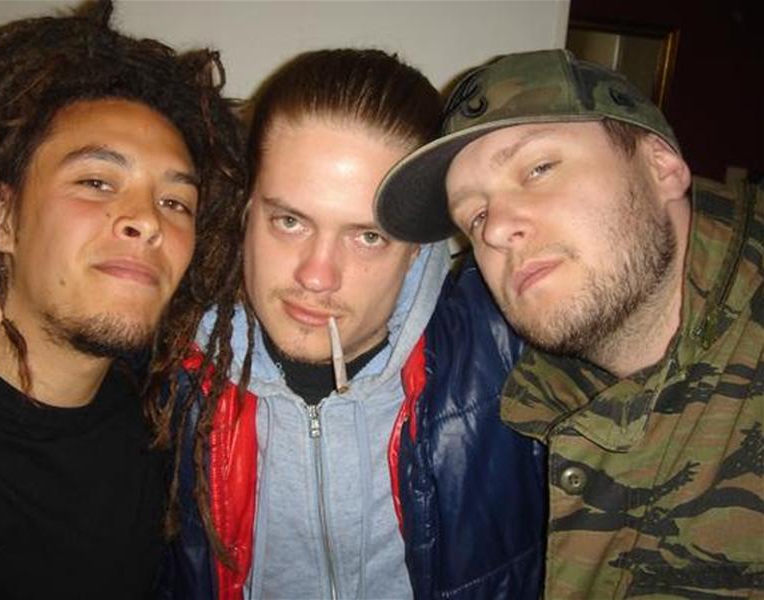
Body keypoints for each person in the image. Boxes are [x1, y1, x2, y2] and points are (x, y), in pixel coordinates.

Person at [0, 1, 246, 597]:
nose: (148, 221)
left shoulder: (176, 446)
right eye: (96, 182)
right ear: (2, 219)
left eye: (176, 202)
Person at [376, 48, 763, 598]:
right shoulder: (524, 388)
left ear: (661, 165)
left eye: (539, 169)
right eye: (475, 215)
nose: (496, 229)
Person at [168, 50, 546, 599]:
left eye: (368, 236)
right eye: (290, 221)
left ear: (417, 248)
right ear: (246, 209)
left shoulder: (507, 355)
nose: (317, 276)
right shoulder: (167, 376)